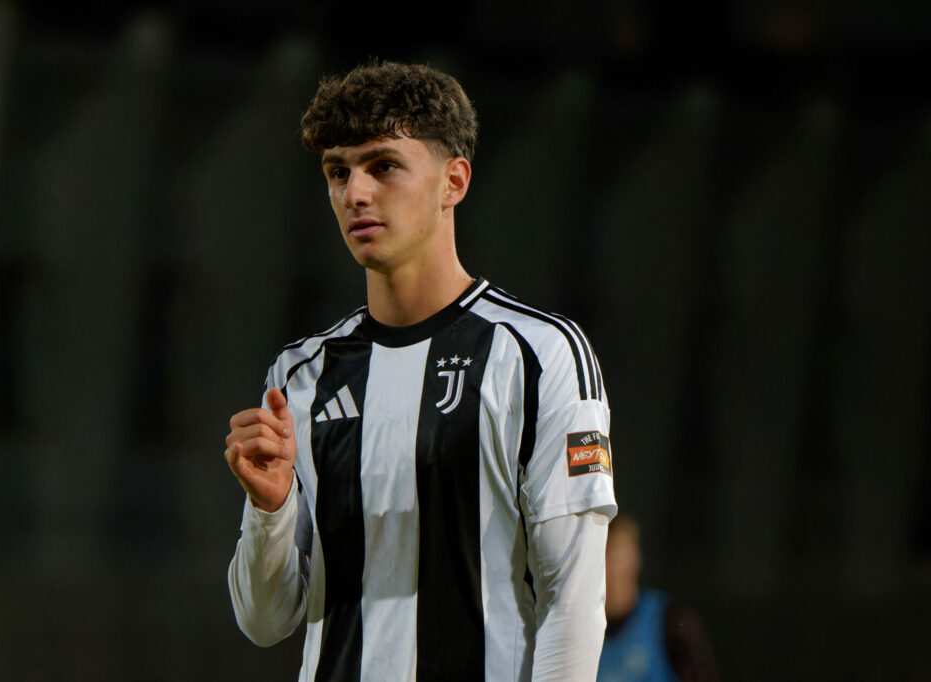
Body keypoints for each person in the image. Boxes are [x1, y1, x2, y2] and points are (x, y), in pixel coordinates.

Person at [224, 61, 617, 682]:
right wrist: (269, 511)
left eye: (383, 166)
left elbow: (573, 603)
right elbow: (265, 620)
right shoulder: (301, 375)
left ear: (453, 182)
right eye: (338, 172)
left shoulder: (536, 354)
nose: (355, 194)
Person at [598, 514, 718, 682]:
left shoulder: (671, 623)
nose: (612, 568)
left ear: (636, 559)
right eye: (604, 556)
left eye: (618, 555)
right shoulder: (579, 630)